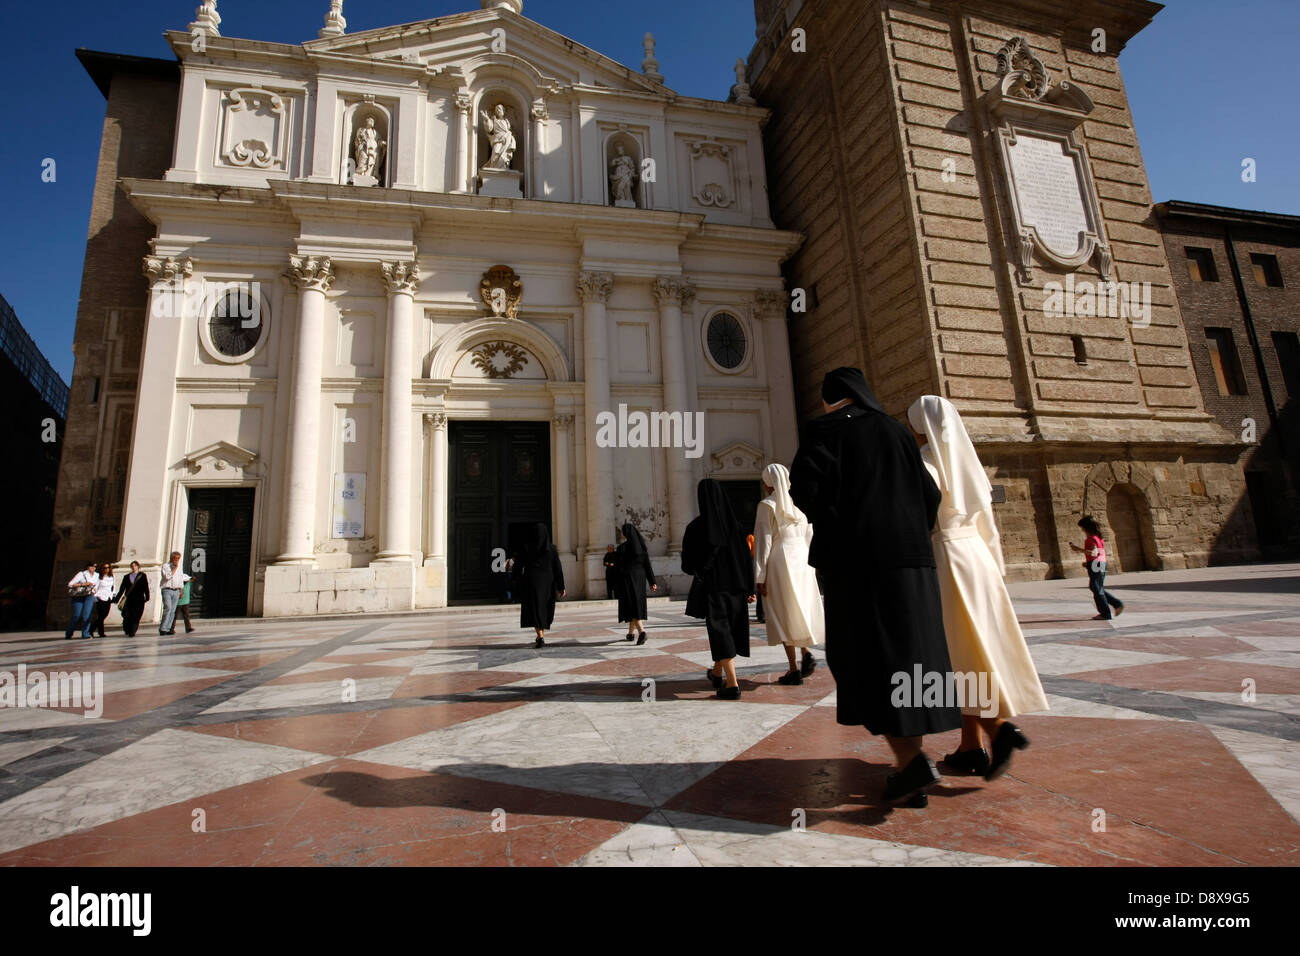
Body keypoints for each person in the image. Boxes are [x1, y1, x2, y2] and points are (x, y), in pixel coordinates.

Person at [790, 368, 961, 807]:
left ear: (831, 399)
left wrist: (845, 527)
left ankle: (910, 763)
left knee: (865, 659)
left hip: (857, 565)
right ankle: (911, 765)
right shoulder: (897, 431)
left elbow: (805, 492)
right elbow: (930, 495)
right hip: (913, 564)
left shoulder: (824, 429)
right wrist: (908, 534)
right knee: (913, 659)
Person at [907, 395, 1048, 781]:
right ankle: (971, 746)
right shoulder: (969, 464)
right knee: (971, 651)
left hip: (947, 557)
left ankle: (998, 728)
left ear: (919, 426)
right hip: (977, 559)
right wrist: (995, 567)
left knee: (957, 654)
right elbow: (988, 522)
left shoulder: (923, 464)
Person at [681, 479, 756, 700]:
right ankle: (716, 672)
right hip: (736, 588)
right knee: (727, 630)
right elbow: (746, 560)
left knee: (720, 631)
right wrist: (750, 588)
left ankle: (731, 684)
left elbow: (687, 566)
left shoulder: (695, 528)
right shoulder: (735, 527)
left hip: (714, 589)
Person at [753, 463, 823, 686]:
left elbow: (763, 542)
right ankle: (805, 651)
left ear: (767, 482)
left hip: (780, 559)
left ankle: (793, 668)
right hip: (802, 559)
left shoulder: (767, 505)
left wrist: (759, 576)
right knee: (799, 607)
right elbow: (810, 535)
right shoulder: (799, 506)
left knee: (782, 611)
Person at [513, 523, 564, 648]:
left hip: (531, 581)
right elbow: (558, 568)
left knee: (534, 608)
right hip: (548, 582)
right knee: (544, 608)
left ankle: (540, 636)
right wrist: (561, 586)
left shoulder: (525, 547)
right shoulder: (551, 549)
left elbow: (518, 566)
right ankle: (541, 635)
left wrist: (516, 579)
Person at [1070, 516, 1125, 620]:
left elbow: (1094, 553)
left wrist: (1077, 549)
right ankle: (1116, 604)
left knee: (1097, 588)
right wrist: (1088, 563)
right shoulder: (1098, 538)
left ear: (1085, 528)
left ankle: (1106, 613)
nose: (1082, 530)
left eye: (1082, 528)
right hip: (1100, 563)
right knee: (1095, 587)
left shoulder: (1091, 539)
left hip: (1096, 564)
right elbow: (1099, 553)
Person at [615, 522, 658, 644]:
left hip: (627, 580)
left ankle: (642, 632)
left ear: (625, 534)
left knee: (631, 607)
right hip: (640, 580)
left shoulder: (622, 549)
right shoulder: (642, 548)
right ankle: (630, 633)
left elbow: (618, 568)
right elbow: (647, 566)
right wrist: (652, 582)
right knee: (635, 605)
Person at [115, 561, 150, 638]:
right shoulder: (126, 577)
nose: (134, 567)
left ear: (138, 566)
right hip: (129, 599)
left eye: (135, 565)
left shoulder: (142, 576)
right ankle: (127, 628)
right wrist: (117, 599)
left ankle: (132, 631)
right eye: (132, 566)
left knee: (137, 615)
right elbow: (122, 589)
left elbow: (145, 587)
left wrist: (147, 596)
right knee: (127, 615)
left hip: (139, 599)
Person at [64, 560, 98, 640]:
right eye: (91, 566)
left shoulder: (97, 575)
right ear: (88, 567)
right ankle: (69, 632)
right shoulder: (81, 574)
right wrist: (83, 584)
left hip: (89, 596)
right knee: (76, 615)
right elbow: (70, 584)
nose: (93, 568)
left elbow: (97, 585)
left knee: (87, 615)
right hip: (78, 596)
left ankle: (85, 634)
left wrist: (95, 592)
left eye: (95, 567)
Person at [159, 551, 185, 636]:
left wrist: (181, 590)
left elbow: (180, 579)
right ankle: (163, 628)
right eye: (175, 558)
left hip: (176, 590)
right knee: (168, 608)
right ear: (171, 558)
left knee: (173, 610)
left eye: (178, 558)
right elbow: (167, 577)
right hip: (167, 590)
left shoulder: (179, 567)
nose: (177, 560)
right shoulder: (166, 566)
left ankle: (169, 628)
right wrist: (174, 568)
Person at [89, 563, 115, 638]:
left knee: (104, 615)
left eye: (108, 568)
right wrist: (95, 595)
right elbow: (95, 587)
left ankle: (93, 629)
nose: (106, 569)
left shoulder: (112, 577)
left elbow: (113, 587)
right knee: (101, 616)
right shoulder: (99, 577)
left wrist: (114, 595)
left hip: (108, 597)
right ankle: (99, 632)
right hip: (100, 597)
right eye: (104, 568)